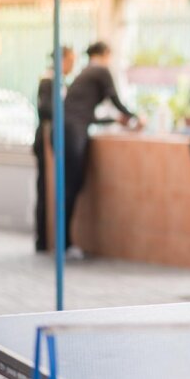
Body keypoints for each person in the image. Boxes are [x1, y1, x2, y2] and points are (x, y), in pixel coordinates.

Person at [63, 41, 142, 252]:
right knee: (71, 186)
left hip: (67, 131)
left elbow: (84, 114)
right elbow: (115, 100)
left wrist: (115, 120)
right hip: (73, 133)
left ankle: (63, 242)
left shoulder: (85, 73)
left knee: (70, 186)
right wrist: (135, 118)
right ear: (106, 54)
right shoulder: (100, 70)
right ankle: (65, 244)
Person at [33, 46, 75, 253]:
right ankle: (42, 239)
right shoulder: (48, 80)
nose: (72, 65)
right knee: (45, 189)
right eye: (70, 61)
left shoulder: (59, 81)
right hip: (45, 140)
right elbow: (45, 109)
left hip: (54, 137)